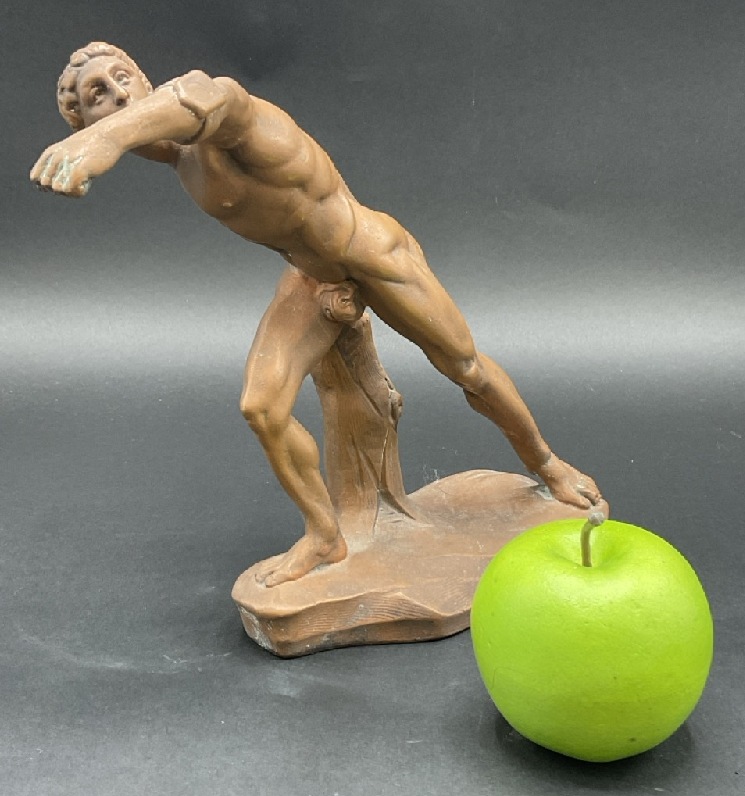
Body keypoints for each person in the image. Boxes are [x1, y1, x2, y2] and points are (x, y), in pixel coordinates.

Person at [31, 41, 602, 587]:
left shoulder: (221, 125)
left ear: (144, 80)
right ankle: (325, 535)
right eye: (98, 95)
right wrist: (104, 137)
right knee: (261, 407)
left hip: (371, 252)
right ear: (80, 121)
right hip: (312, 276)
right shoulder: (182, 161)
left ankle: (548, 464)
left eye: (122, 78)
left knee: (465, 368)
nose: (118, 93)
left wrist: (106, 136)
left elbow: (206, 93)